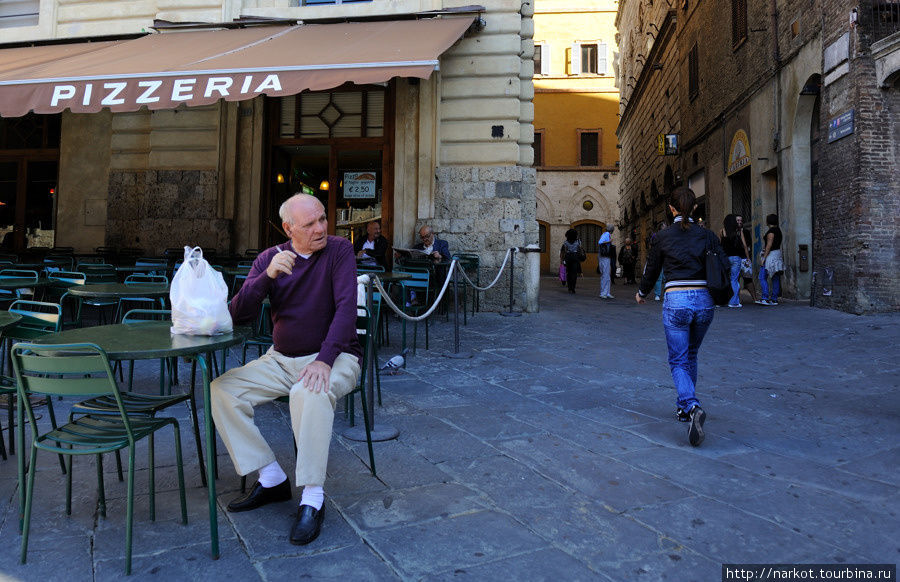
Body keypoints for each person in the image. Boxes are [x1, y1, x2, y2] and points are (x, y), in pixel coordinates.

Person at [210, 193, 362, 546]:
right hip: (280, 358)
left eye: (323, 219)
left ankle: (312, 497)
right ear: (288, 228)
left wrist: (324, 360)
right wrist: (266, 277)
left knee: (308, 391)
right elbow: (236, 315)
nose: (321, 228)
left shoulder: (339, 251)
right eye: (310, 224)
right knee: (222, 390)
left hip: (336, 356)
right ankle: (271, 476)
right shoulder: (269, 258)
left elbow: (345, 311)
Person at [635, 186, 726, 447]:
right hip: (704, 301)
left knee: (677, 359)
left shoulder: (662, 237)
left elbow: (652, 269)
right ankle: (683, 407)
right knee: (691, 354)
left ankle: (692, 404)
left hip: (676, 300)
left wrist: (642, 292)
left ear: (672, 209)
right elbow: (722, 264)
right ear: (695, 208)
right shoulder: (707, 235)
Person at [720, 214, 748, 308]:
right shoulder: (739, 231)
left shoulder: (722, 231)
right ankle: (734, 302)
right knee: (734, 280)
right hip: (736, 258)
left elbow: (721, 245)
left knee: (725, 279)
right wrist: (747, 258)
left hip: (725, 258)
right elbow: (744, 245)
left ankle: (723, 300)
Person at [757, 213, 784, 306]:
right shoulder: (778, 230)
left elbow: (769, 245)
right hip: (777, 254)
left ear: (768, 221)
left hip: (770, 256)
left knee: (762, 277)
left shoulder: (771, 231)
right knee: (775, 277)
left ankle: (765, 298)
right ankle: (774, 299)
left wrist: (763, 258)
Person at [735, 214, 757, 302]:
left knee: (748, 279)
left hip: (744, 258)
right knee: (734, 280)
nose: (740, 222)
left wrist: (748, 258)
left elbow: (747, 245)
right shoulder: (731, 232)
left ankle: (755, 298)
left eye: (741, 220)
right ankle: (736, 299)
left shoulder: (746, 232)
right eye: (738, 220)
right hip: (735, 258)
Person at [559, 228, 584, 294]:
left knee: (568, 273)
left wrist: (561, 260)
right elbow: (580, 249)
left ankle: (569, 287)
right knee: (574, 274)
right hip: (575, 258)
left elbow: (562, 252)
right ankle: (573, 288)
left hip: (568, 258)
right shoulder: (578, 242)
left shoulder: (565, 242)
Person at [597, 224, 615, 299]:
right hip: (604, 257)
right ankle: (603, 293)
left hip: (605, 256)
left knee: (606, 274)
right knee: (605, 274)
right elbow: (600, 242)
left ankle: (607, 292)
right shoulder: (606, 234)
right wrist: (609, 241)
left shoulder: (605, 234)